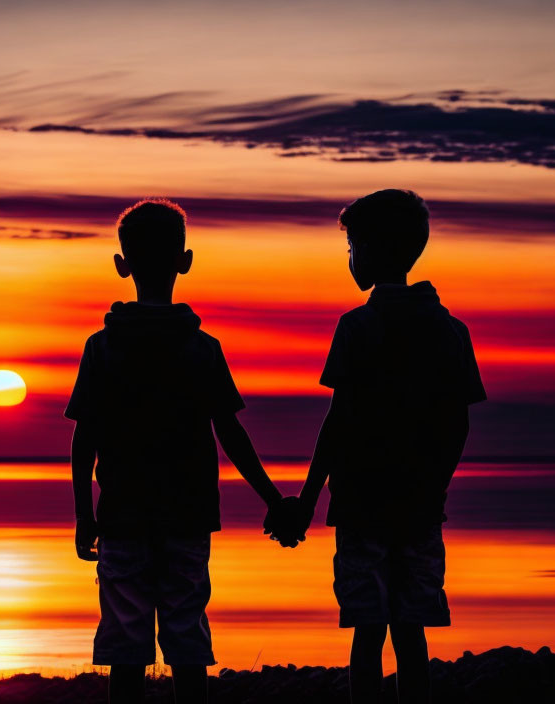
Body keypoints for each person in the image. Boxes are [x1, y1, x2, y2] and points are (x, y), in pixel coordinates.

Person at [269, 189, 487, 703]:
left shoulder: (357, 326)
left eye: (351, 248)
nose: (350, 259)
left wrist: (306, 500)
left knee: (368, 634)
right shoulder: (451, 330)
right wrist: (436, 486)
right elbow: (457, 426)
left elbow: (338, 421)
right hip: (420, 507)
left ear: (368, 249)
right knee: (412, 635)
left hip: (362, 506)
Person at [65, 198, 285, 704]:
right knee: (187, 634)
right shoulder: (202, 348)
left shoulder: (102, 347)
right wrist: (273, 499)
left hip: (121, 516)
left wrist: (83, 514)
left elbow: (84, 439)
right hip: (188, 515)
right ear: (184, 261)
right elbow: (230, 433)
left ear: (122, 266)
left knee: (126, 645)